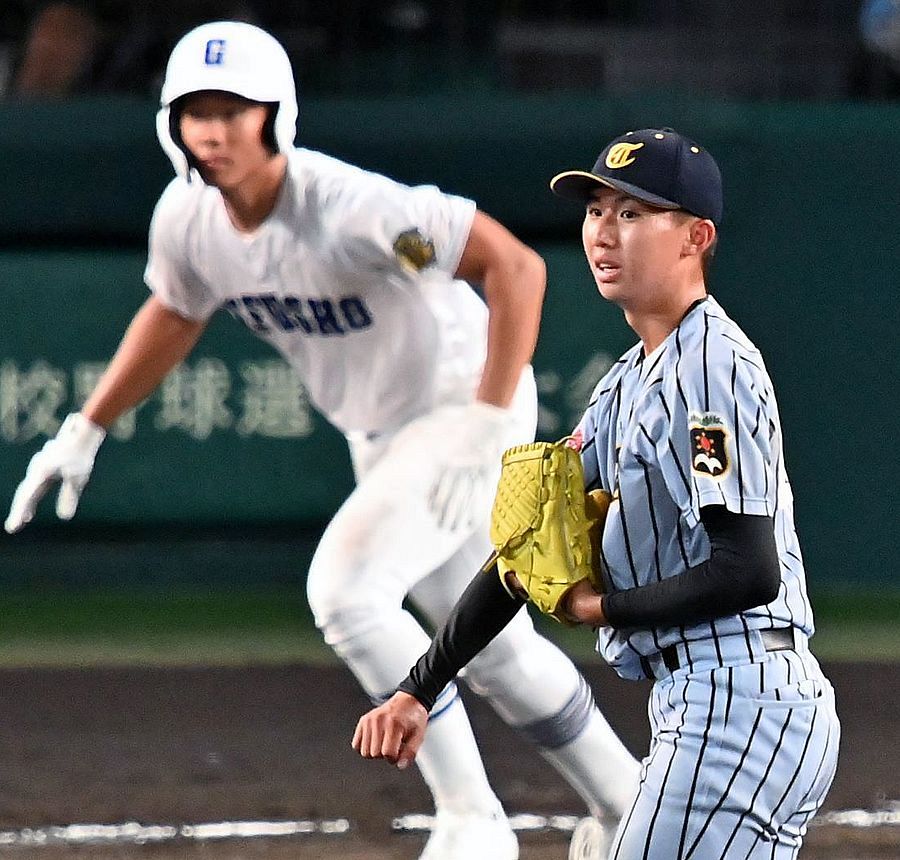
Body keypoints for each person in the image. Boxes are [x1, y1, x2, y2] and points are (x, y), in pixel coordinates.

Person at [3, 20, 640, 860]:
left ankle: (472, 818)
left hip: (461, 409)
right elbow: (175, 308)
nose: (215, 130)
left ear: (276, 117)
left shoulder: (351, 209)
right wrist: (87, 425)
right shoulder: (187, 221)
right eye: (197, 111)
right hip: (382, 434)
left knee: (347, 593)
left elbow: (515, 266)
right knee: (485, 640)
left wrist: (488, 422)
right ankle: (631, 800)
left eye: (236, 110)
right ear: (170, 124)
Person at [352, 128, 841, 859]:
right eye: (595, 211)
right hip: (711, 705)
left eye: (634, 214)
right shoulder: (628, 382)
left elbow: (748, 569)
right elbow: (527, 554)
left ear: (695, 237)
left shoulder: (709, 367)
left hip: (741, 705)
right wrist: (419, 688)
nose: (603, 233)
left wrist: (597, 608)